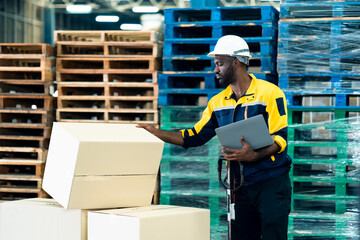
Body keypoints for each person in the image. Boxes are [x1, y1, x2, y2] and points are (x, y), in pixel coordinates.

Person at [137, 35, 292, 240]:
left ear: (235, 63)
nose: (215, 69)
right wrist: (156, 133)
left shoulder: (270, 94)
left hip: (270, 183)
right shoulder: (217, 103)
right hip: (239, 186)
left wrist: (255, 155)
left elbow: (280, 138)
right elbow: (193, 137)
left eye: (219, 63)